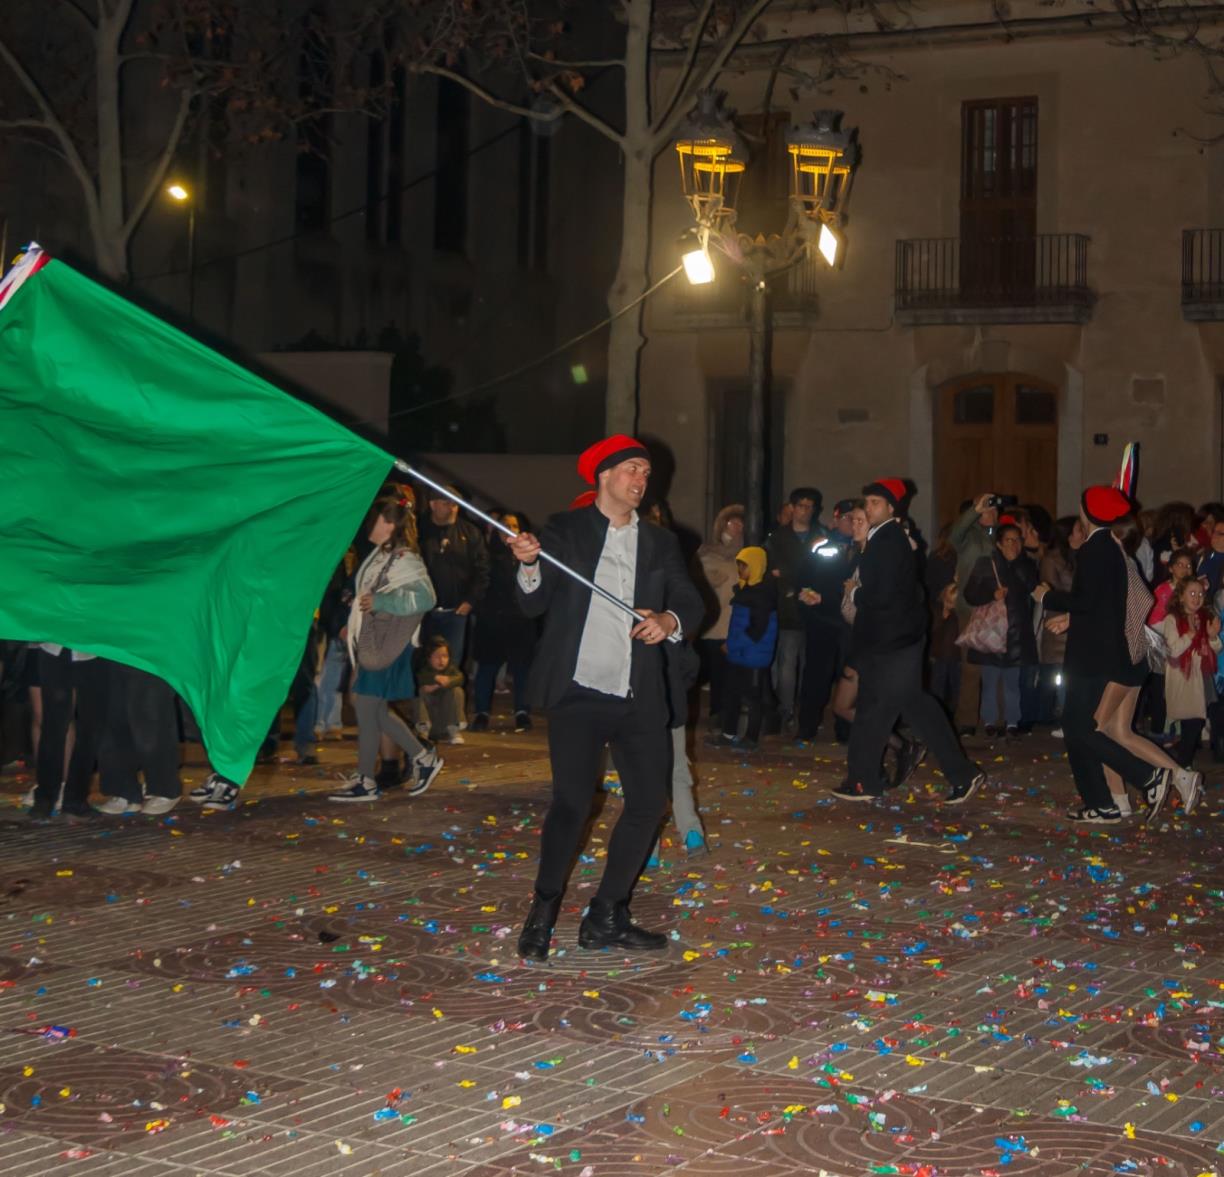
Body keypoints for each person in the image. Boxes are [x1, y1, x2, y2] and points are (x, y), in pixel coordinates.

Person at [506, 434, 703, 961]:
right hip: (579, 691)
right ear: (604, 475)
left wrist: (669, 620)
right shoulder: (566, 531)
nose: (641, 480)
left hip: (638, 696)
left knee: (646, 804)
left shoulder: (661, 541)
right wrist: (529, 564)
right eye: (632, 470)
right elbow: (534, 604)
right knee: (571, 805)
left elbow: (688, 597)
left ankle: (607, 914)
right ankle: (543, 908)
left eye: (645, 473)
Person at [833, 479, 984, 803]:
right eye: (868, 501)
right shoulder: (882, 539)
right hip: (888, 639)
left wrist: (854, 592)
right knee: (888, 705)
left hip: (895, 641)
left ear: (891, 508)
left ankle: (867, 780)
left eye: (876, 502)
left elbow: (881, 594)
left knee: (898, 705)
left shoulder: (888, 541)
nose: (869, 507)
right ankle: (863, 780)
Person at [1034, 486, 1171, 824]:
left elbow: (1085, 602)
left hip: (1093, 655)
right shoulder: (1108, 545)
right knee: (1077, 726)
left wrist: (1048, 598)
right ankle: (1101, 804)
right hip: (1100, 651)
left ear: (1088, 512)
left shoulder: (1096, 549)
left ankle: (1147, 777)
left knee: (1079, 727)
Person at [329, 494, 443, 802]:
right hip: (380, 643)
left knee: (367, 707)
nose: (369, 524)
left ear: (390, 524)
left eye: (375, 519)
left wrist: (379, 602)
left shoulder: (403, 558)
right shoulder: (384, 555)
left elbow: (425, 598)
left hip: (386, 645)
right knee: (371, 709)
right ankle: (420, 758)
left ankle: (369, 778)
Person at [962, 522, 1038, 737]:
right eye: (1008, 540)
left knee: (1012, 680)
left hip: (1016, 632)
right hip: (992, 631)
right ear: (998, 543)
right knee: (990, 678)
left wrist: (1018, 564)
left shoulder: (1027, 564)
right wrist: (990, 594)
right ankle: (990, 721)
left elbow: (1032, 586)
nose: (1013, 544)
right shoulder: (987, 564)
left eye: (1017, 540)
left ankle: (1012, 721)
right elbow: (970, 594)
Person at [471, 510, 536, 732]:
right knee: (487, 668)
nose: (510, 529)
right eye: (505, 525)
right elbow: (479, 581)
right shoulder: (486, 552)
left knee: (521, 670)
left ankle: (522, 712)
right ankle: (481, 713)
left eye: (514, 526)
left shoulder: (529, 555)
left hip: (520, 620)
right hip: (492, 620)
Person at [27, 644, 108, 819]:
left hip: (95, 649)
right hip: (54, 648)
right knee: (53, 726)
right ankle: (44, 799)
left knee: (90, 728)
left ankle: (75, 800)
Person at [709, 546, 777, 751]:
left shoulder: (762, 595)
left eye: (744, 566)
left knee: (752, 698)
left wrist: (731, 645)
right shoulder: (745, 591)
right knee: (731, 694)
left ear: (756, 567)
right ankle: (728, 733)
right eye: (739, 566)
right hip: (740, 653)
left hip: (753, 654)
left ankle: (751, 738)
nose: (740, 570)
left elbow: (756, 630)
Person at [765, 486, 822, 730]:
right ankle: (786, 709)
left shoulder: (820, 536)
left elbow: (825, 570)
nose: (806, 511)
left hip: (816, 609)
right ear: (792, 508)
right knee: (787, 660)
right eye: (802, 506)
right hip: (787, 607)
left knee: (808, 663)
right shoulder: (778, 538)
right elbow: (772, 570)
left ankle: (804, 710)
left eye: (810, 507)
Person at [95, 664, 183, 815]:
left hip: (149, 655)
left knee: (151, 716)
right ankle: (123, 790)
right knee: (113, 717)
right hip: (112, 651)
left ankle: (165, 789)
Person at [419, 484, 491, 669]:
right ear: (433, 504)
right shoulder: (418, 529)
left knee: (451, 663)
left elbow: (482, 569)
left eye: (455, 504)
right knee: (422, 660)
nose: (452, 507)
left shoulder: (471, 532)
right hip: (423, 611)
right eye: (446, 502)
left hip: (456, 612)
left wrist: (471, 600)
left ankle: (451, 697)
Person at [949, 492, 1000, 734]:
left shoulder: (1003, 536)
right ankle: (967, 719)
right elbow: (954, 534)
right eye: (986, 510)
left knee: (999, 666)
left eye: (993, 509)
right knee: (971, 666)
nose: (991, 513)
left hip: (999, 610)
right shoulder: (969, 537)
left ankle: (997, 720)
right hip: (971, 608)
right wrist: (974, 510)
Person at [1161, 577, 1221, 771]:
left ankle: (1182, 769)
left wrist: (1212, 637)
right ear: (1180, 596)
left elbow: (1216, 650)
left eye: (1200, 594)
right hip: (1182, 679)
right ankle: (1182, 769)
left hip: (1200, 680)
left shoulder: (1203, 617)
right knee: (1191, 725)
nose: (1197, 598)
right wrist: (1190, 635)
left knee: (1194, 725)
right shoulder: (1172, 619)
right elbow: (1173, 650)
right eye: (1192, 593)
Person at [695, 503, 744, 725]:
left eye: (740, 523)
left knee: (736, 673)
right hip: (716, 623)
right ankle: (717, 712)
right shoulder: (707, 553)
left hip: (739, 622)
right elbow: (699, 580)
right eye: (733, 522)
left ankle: (731, 713)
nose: (737, 527)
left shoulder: (746, 553)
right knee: (718, 672)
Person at [417, 636, 467, 744]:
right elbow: (419, 678)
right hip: (429, 721)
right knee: (419, 691)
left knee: (457, 691)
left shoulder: (451, 669)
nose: (442, 660)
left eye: (445, 656)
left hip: (445, 722)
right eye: (437, 656)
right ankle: (423, 730)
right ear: (428, 657)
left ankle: (453, 730)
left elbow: (460, 678)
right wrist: (434, 678)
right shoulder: (423, 670)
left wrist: (439, 685)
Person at [929, 580, 961, 718]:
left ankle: (953, 712)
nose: (950, 604)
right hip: (940, 655)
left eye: (953, 602)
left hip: (956, 656)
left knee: (956, 686)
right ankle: (937, 713)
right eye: (948, 600)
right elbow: (933, 630)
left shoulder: (959, 614)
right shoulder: (936, 609)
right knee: (938, 686)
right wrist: (943, 616)